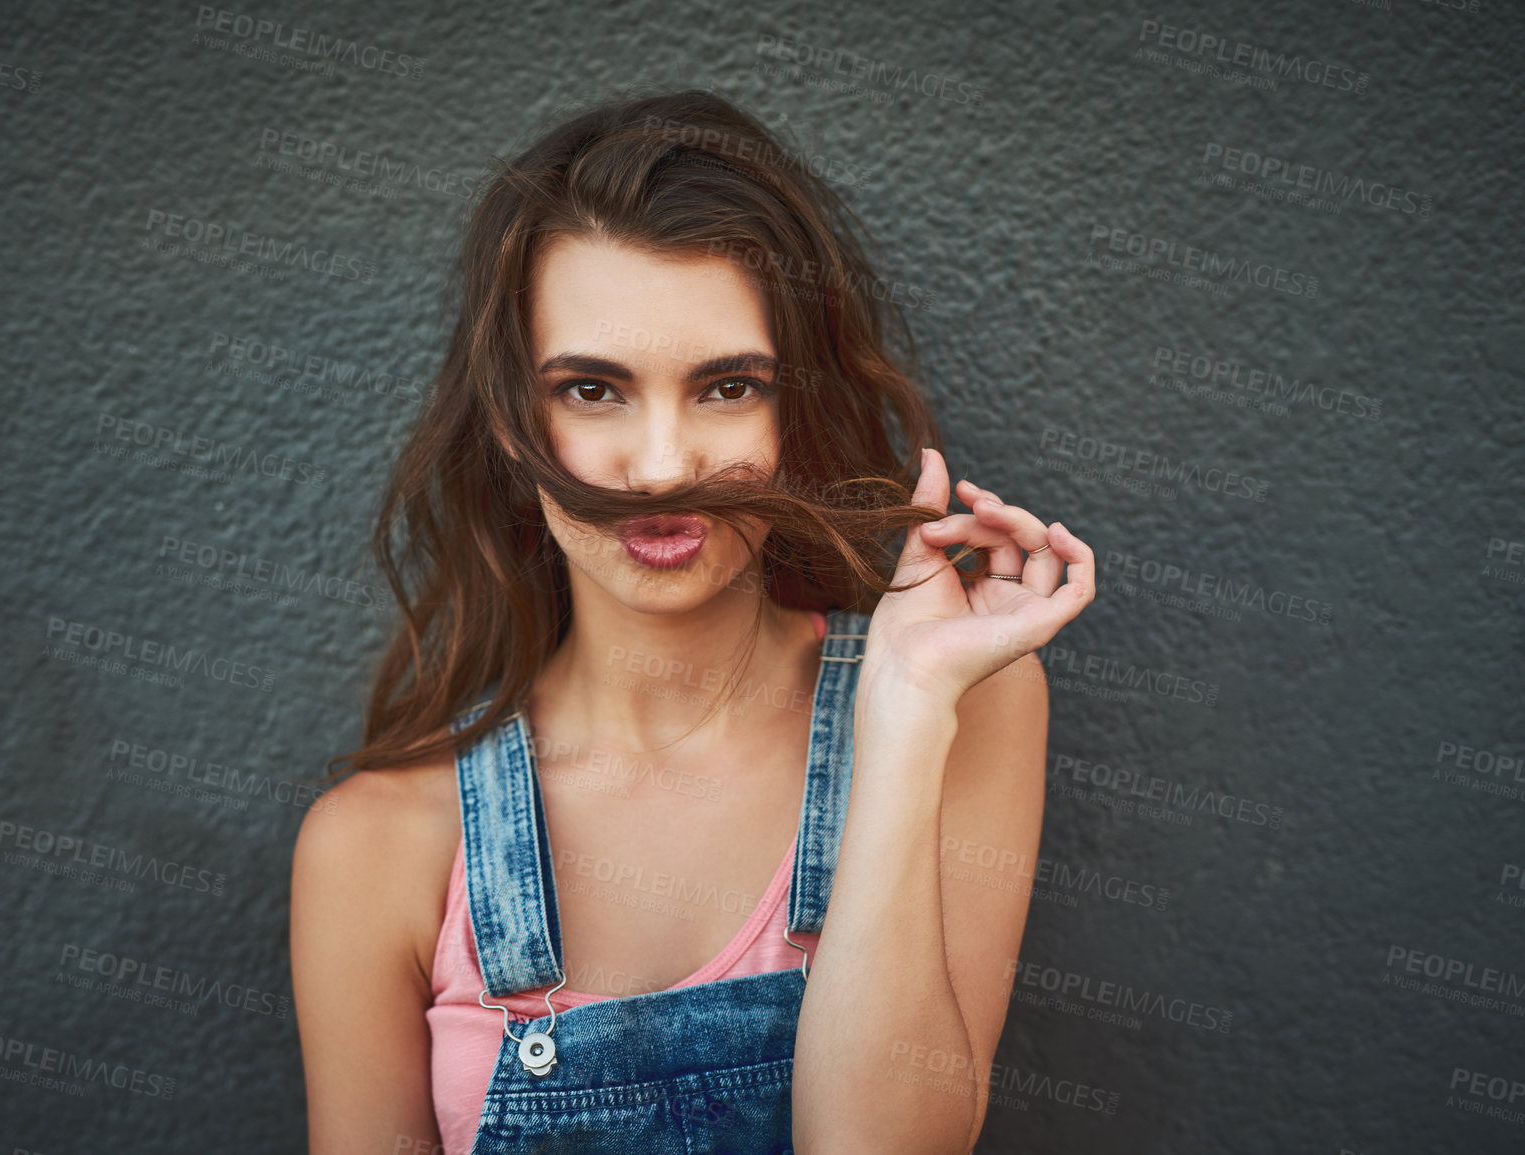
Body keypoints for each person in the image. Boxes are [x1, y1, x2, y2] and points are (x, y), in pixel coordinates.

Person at [289, 87, 1095, 1154]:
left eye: (726, 388)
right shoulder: (376, 847)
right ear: (508, 418)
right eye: (591, 390)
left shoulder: (965, 708)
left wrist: (900, 721)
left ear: (795, 403)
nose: (664, 468)